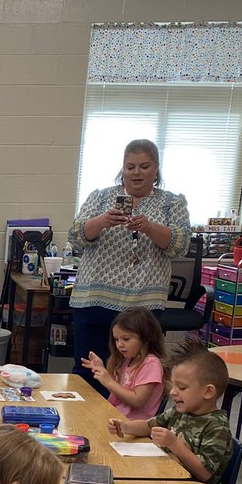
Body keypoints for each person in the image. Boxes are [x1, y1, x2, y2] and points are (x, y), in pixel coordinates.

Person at [68, 139, 191, 392]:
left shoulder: (172, 203)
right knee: (89, 370)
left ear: (156, 169)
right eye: (130, 166)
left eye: (144, 166)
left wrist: (149, 227)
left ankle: (130, 425)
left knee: (138, 373)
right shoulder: (101, 198)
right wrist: (101, 221)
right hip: (94, 301)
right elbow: (76, 236)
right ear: (122, 169)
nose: (136, 172)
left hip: (143, 306)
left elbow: (180, 245)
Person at [109, 340, 232, 484]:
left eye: (182, 387)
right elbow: (148, 426)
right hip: (165, 478)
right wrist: (124, 427)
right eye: (173, 385)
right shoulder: (181, 410)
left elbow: (204, 473)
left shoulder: (217, 426)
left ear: (208, 392)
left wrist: (173, 443)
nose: (173, 392)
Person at [79, 306, 166, 421]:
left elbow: (138, 401)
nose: (120, 344)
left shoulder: (151, 364)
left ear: (146, 337)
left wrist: (108, 381)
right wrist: (101, 369)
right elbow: (118, 393)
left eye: (126, 339)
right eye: (116, 339)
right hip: (115, 419)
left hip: (132, 427)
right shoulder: (128, 359)